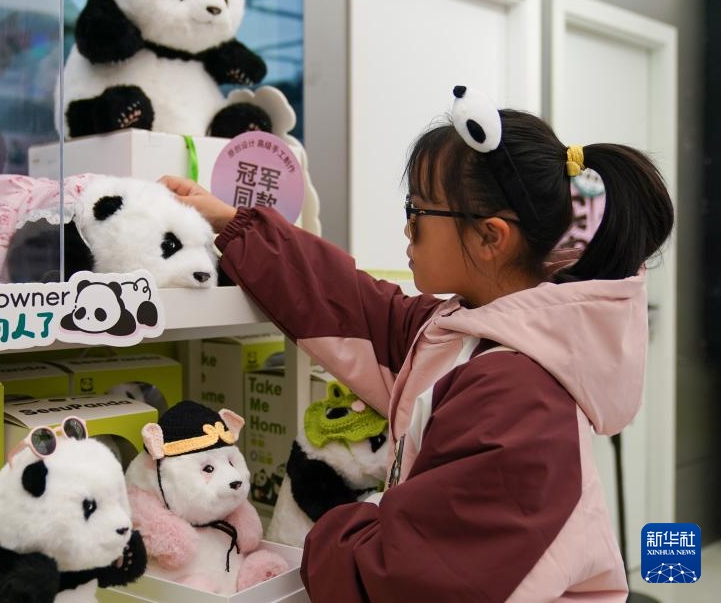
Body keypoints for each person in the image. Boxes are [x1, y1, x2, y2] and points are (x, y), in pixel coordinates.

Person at [159, 86, 674, 602]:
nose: (407, 227)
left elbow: (405, 576)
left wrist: (333, 527)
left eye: (419, 209)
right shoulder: (466, 333)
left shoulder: (517, 395)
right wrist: (234, 224)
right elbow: (355, 305)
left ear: (491, 237)